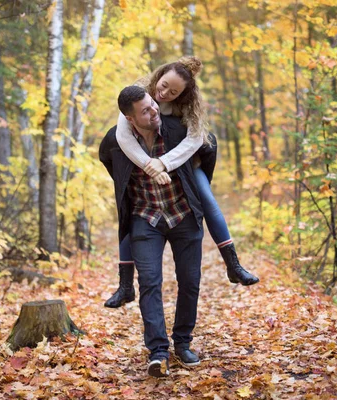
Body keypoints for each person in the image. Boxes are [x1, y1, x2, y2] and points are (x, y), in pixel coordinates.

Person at [104, 56, 259, 309]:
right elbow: (123, 136)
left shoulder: (189, 106)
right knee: (127, 205)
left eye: (173, 92)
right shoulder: (141, 93)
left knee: (207, 200)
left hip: (187, 162)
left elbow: (196, 139)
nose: (163, 93)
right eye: (163, 85)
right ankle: (124, 285)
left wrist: (164, 162)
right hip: (146, 160)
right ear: (160, 74)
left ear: (183, 94)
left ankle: (233, 265)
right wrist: (148, 166)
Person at [99, 86, 215, 377]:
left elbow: (207, 146)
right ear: (129, 118)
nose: (154, 113)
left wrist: (199, 187)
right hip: (145, 217)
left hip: (183, 214)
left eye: (153, 105)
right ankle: (158, 351)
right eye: (146, 111)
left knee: (190, 281)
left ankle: (183, 343)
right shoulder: (116, 140)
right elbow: (108, 161)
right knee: (149, 283)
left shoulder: (176, 127)